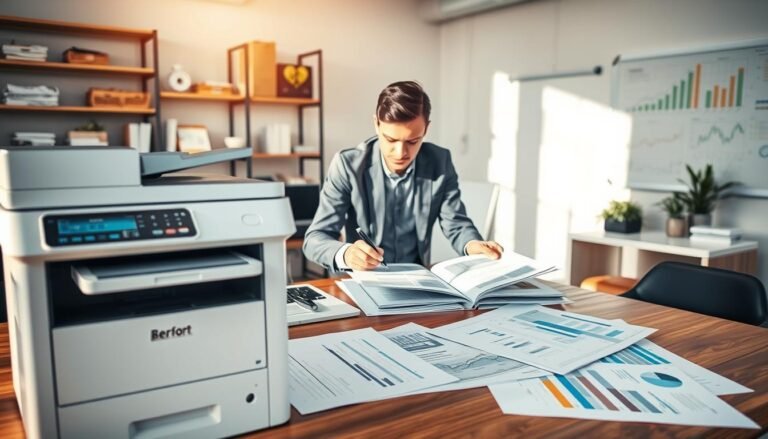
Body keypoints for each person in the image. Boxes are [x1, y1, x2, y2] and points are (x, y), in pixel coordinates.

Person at [303, 81, 503, 271]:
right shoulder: (347, 165)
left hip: (418, 278)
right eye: (390, 139)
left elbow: (456, 223)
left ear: (426, 129)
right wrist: (346, 254)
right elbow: (314, 239)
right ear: (377, 124)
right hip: (362, 280)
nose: (400, 153)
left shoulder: (439, 161)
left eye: (413, 141)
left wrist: (472, 245)